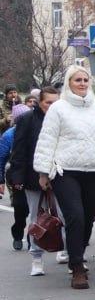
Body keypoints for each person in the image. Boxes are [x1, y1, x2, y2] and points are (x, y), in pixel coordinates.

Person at [33, 65, 95, 290]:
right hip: (65, 170)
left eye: (85, 80)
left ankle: (77, 254)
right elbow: (47, 139)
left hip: (92, 170)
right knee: (75, 216)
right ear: (69, 83)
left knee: (89, 217)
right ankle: (77, 267)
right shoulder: (58, 108)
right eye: (77, 80)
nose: (82, 84)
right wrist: (43, 172)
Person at [9, 87, 59, 275]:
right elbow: (19, 150)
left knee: (63, 216)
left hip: (60, 175)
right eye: (48, 103)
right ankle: (36, 258)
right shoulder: (27, 120)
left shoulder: (62, 118)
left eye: (56, 103)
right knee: (36, 218)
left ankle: (68, 252)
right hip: (32, 176)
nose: (52, 107)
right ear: (40, 102)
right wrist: (18, 178)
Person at [0, 124, 28, 251]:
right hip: (17, 176)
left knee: (38, 211)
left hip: (36, 175)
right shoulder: (9, 135)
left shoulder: (40, 129)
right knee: (21, 209)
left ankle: (33, 238)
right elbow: (1, 159)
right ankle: (17, 234)